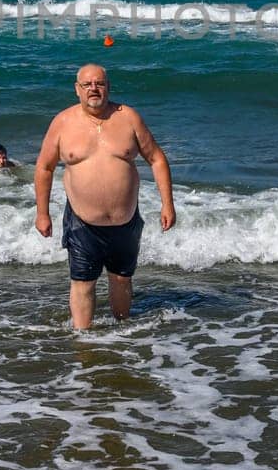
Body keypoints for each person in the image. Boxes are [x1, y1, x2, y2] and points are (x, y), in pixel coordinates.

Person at [34, 63, 175, 329]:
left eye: (99, 83)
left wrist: (167, 204)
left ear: (108, 87)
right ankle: (82, 340)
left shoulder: (129, 118)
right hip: (82, 223)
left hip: (126, 220)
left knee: (122, 279)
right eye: (87, 85)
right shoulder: (63, 122)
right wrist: (42, 213)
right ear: (77, 90)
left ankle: (122, 336)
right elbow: (44, 167)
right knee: (83, 282)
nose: (94, 89)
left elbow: (156, 159)